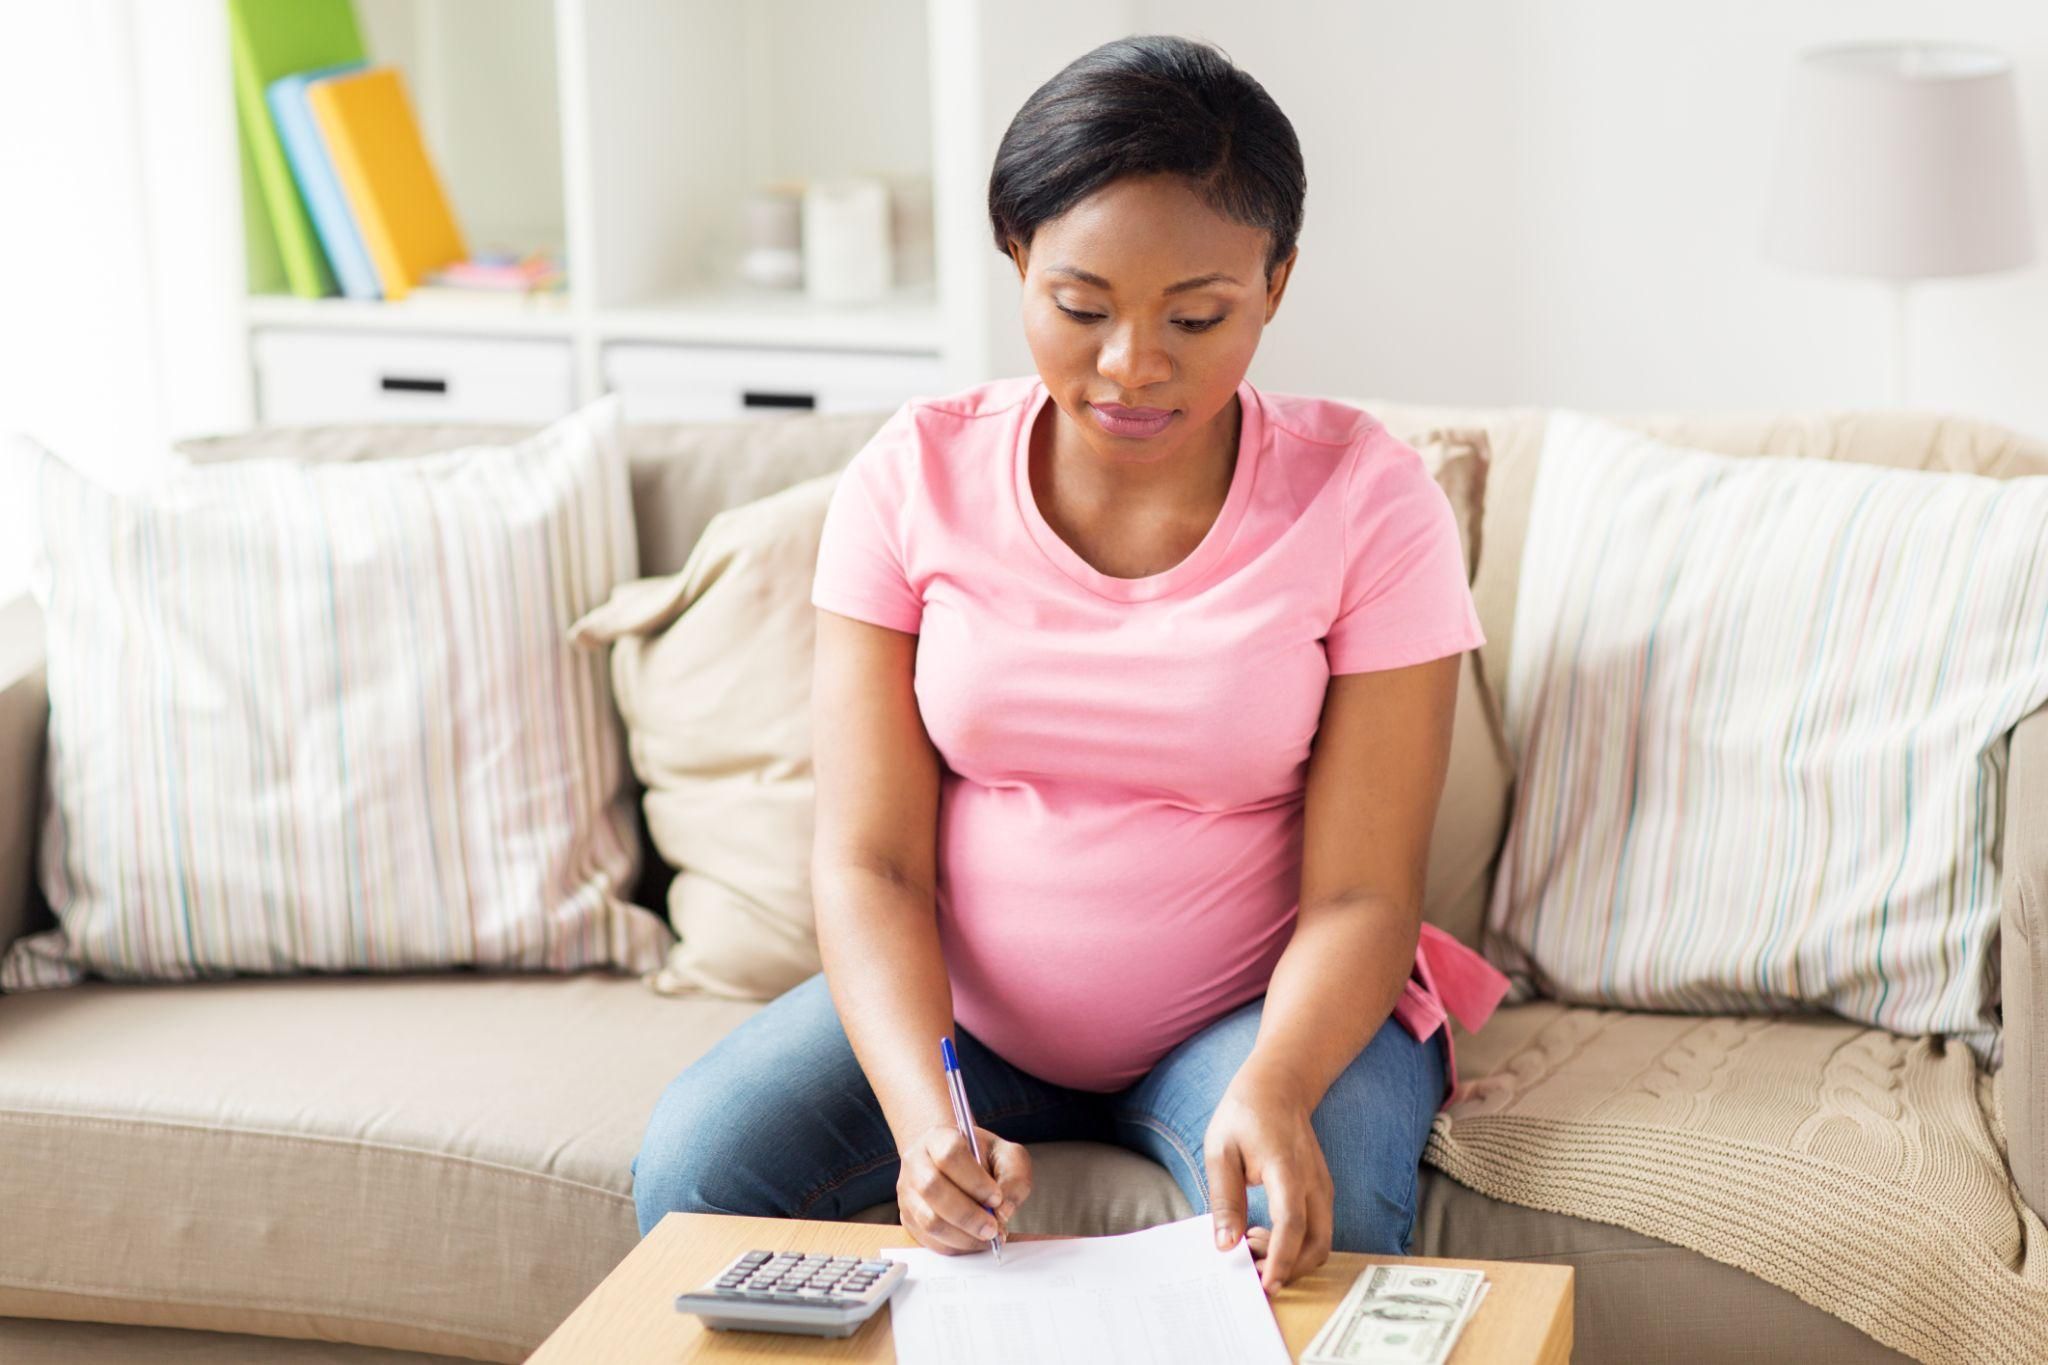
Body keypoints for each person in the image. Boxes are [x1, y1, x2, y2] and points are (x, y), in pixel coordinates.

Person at [631, 32, 1508, 1294]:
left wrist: (1271, 1083)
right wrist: (927, 1117)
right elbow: (867, 859)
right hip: (967, 1023)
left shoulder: (1366, 501)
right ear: (1017, 262)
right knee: (699, 1169)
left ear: (1276, 282)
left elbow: (1364, 898)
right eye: (1081, 307)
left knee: (1319, 1219)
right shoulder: (912, 477)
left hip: (1250, 1019)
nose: (1130, 366)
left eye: (1195, 316)